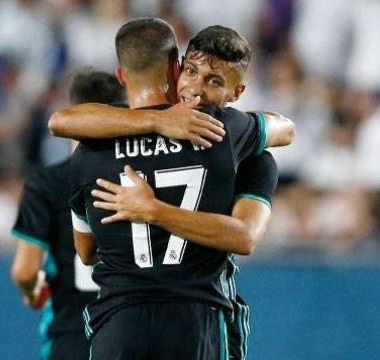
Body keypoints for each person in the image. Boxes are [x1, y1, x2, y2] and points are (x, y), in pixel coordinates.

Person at [51, 25, 287, 360]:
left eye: (214, 81)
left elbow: (86, 252)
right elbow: (284, 128)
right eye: (192, 72)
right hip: (198, 318)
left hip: (118, 324)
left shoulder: (87, 155)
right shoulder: (227, 135)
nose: (198, 89)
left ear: (120, 75)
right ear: (176, 68)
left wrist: (151, 214)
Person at [10, 71, 126, 360]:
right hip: (130, 332)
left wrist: (31, 291)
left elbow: (26, 270)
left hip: (72, 334)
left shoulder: (46, 182)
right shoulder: (140, 176)